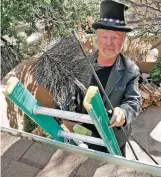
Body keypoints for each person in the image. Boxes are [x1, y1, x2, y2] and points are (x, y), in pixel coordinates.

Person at [63, 0, 141, 157]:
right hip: (84, 136)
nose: (109, 43)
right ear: (97, 38)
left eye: (116, 37)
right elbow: (70, 95)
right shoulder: (80, 65)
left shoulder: (130, 70)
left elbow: (134, 102)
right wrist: (67, 115)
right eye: (105, 37)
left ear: (123, 40)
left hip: (114, 138)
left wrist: (123, 113)